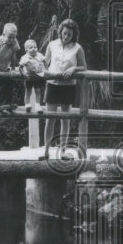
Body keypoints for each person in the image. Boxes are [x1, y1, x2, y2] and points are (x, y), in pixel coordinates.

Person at [43, 18, 87, 155]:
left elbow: (84, 67)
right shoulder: (52, 45)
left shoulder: (77, 48)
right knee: (49, 119)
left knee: (65, 120)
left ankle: (62, 151)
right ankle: (46, 152)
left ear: (74, 34)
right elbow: (44, 63)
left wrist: (73, 69)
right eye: (65, 33)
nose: (66, 36)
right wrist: (45, 72)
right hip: (52, 85)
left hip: (68, 87)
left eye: (70, 34)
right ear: (60, 31)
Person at [0, 22, 20, 114]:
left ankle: (9, 103)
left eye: (13, 37)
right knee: (1, 84)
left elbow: (13, 57)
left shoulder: (14, 41)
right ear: (4, 35)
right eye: (9, 37)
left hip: (6, 65)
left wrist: (13, 68)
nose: (11, 39)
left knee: (10, 83)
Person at [18, 38, 46, 112]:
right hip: (29, 77)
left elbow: (45, 60)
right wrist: (23, 74)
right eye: (31, 47)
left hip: (38, 76)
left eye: (35, 47)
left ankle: (37, 106)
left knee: (38, 91)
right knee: (28, 91)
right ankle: (27, 105)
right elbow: (20, 67)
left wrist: (46, 69)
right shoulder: (24, 58)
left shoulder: (39, 55)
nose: (34, 49)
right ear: (26, 50)